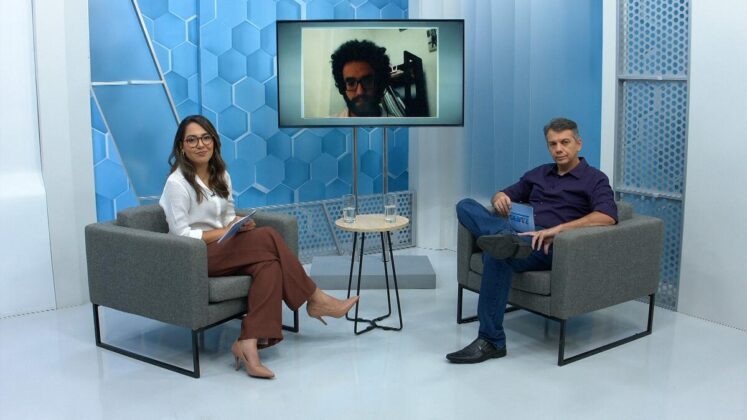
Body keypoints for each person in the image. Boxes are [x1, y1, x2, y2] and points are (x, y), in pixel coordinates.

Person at [159, 115, 358, 379]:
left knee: (269, 265)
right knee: (268, 236)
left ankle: (248, 344)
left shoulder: (221, 174)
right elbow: (180, 234)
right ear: (181, 147)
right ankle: (315, 298)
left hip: (224, 248)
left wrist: (236, 224)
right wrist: (223, 232)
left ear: (214, 142)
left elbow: (227, 215)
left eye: (206, 138)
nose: (200, 144)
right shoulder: (177, 184)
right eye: (192, 140)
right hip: (195, 256)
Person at [446, 117, 618, 364]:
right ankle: (504, 237)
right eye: (553, 144)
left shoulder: (594, 178)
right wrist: (499, 198)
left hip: (546, 244)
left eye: (565, 142)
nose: (558, 149)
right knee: (465, 205)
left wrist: (558, 230)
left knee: (498, 253)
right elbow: (504, 193)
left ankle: (492, 341)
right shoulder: (539, 173)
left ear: (578, 144)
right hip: (517, 232)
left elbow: (607, 216)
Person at [330, 39, 391, 117]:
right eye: (351, 83)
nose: (360, 92)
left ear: (380, 83)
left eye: (368, 82)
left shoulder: (400, 124)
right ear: (342, 87)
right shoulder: (325, 124)